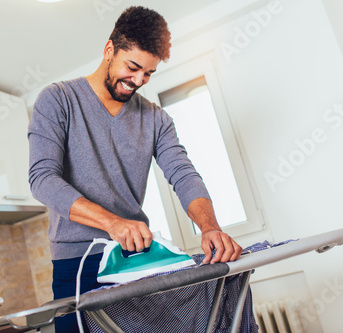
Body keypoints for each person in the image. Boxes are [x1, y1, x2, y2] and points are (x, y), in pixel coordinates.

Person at [28, 6, 242, 332]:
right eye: (133, 67)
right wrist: (113, 224)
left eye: (149, 73)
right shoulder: (58, 100)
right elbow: (43, 179)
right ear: (109, 49)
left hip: (135, 259)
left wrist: (209, 227)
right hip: (77, 263)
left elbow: (183, 176)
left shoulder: (156, 119)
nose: (139, 80)